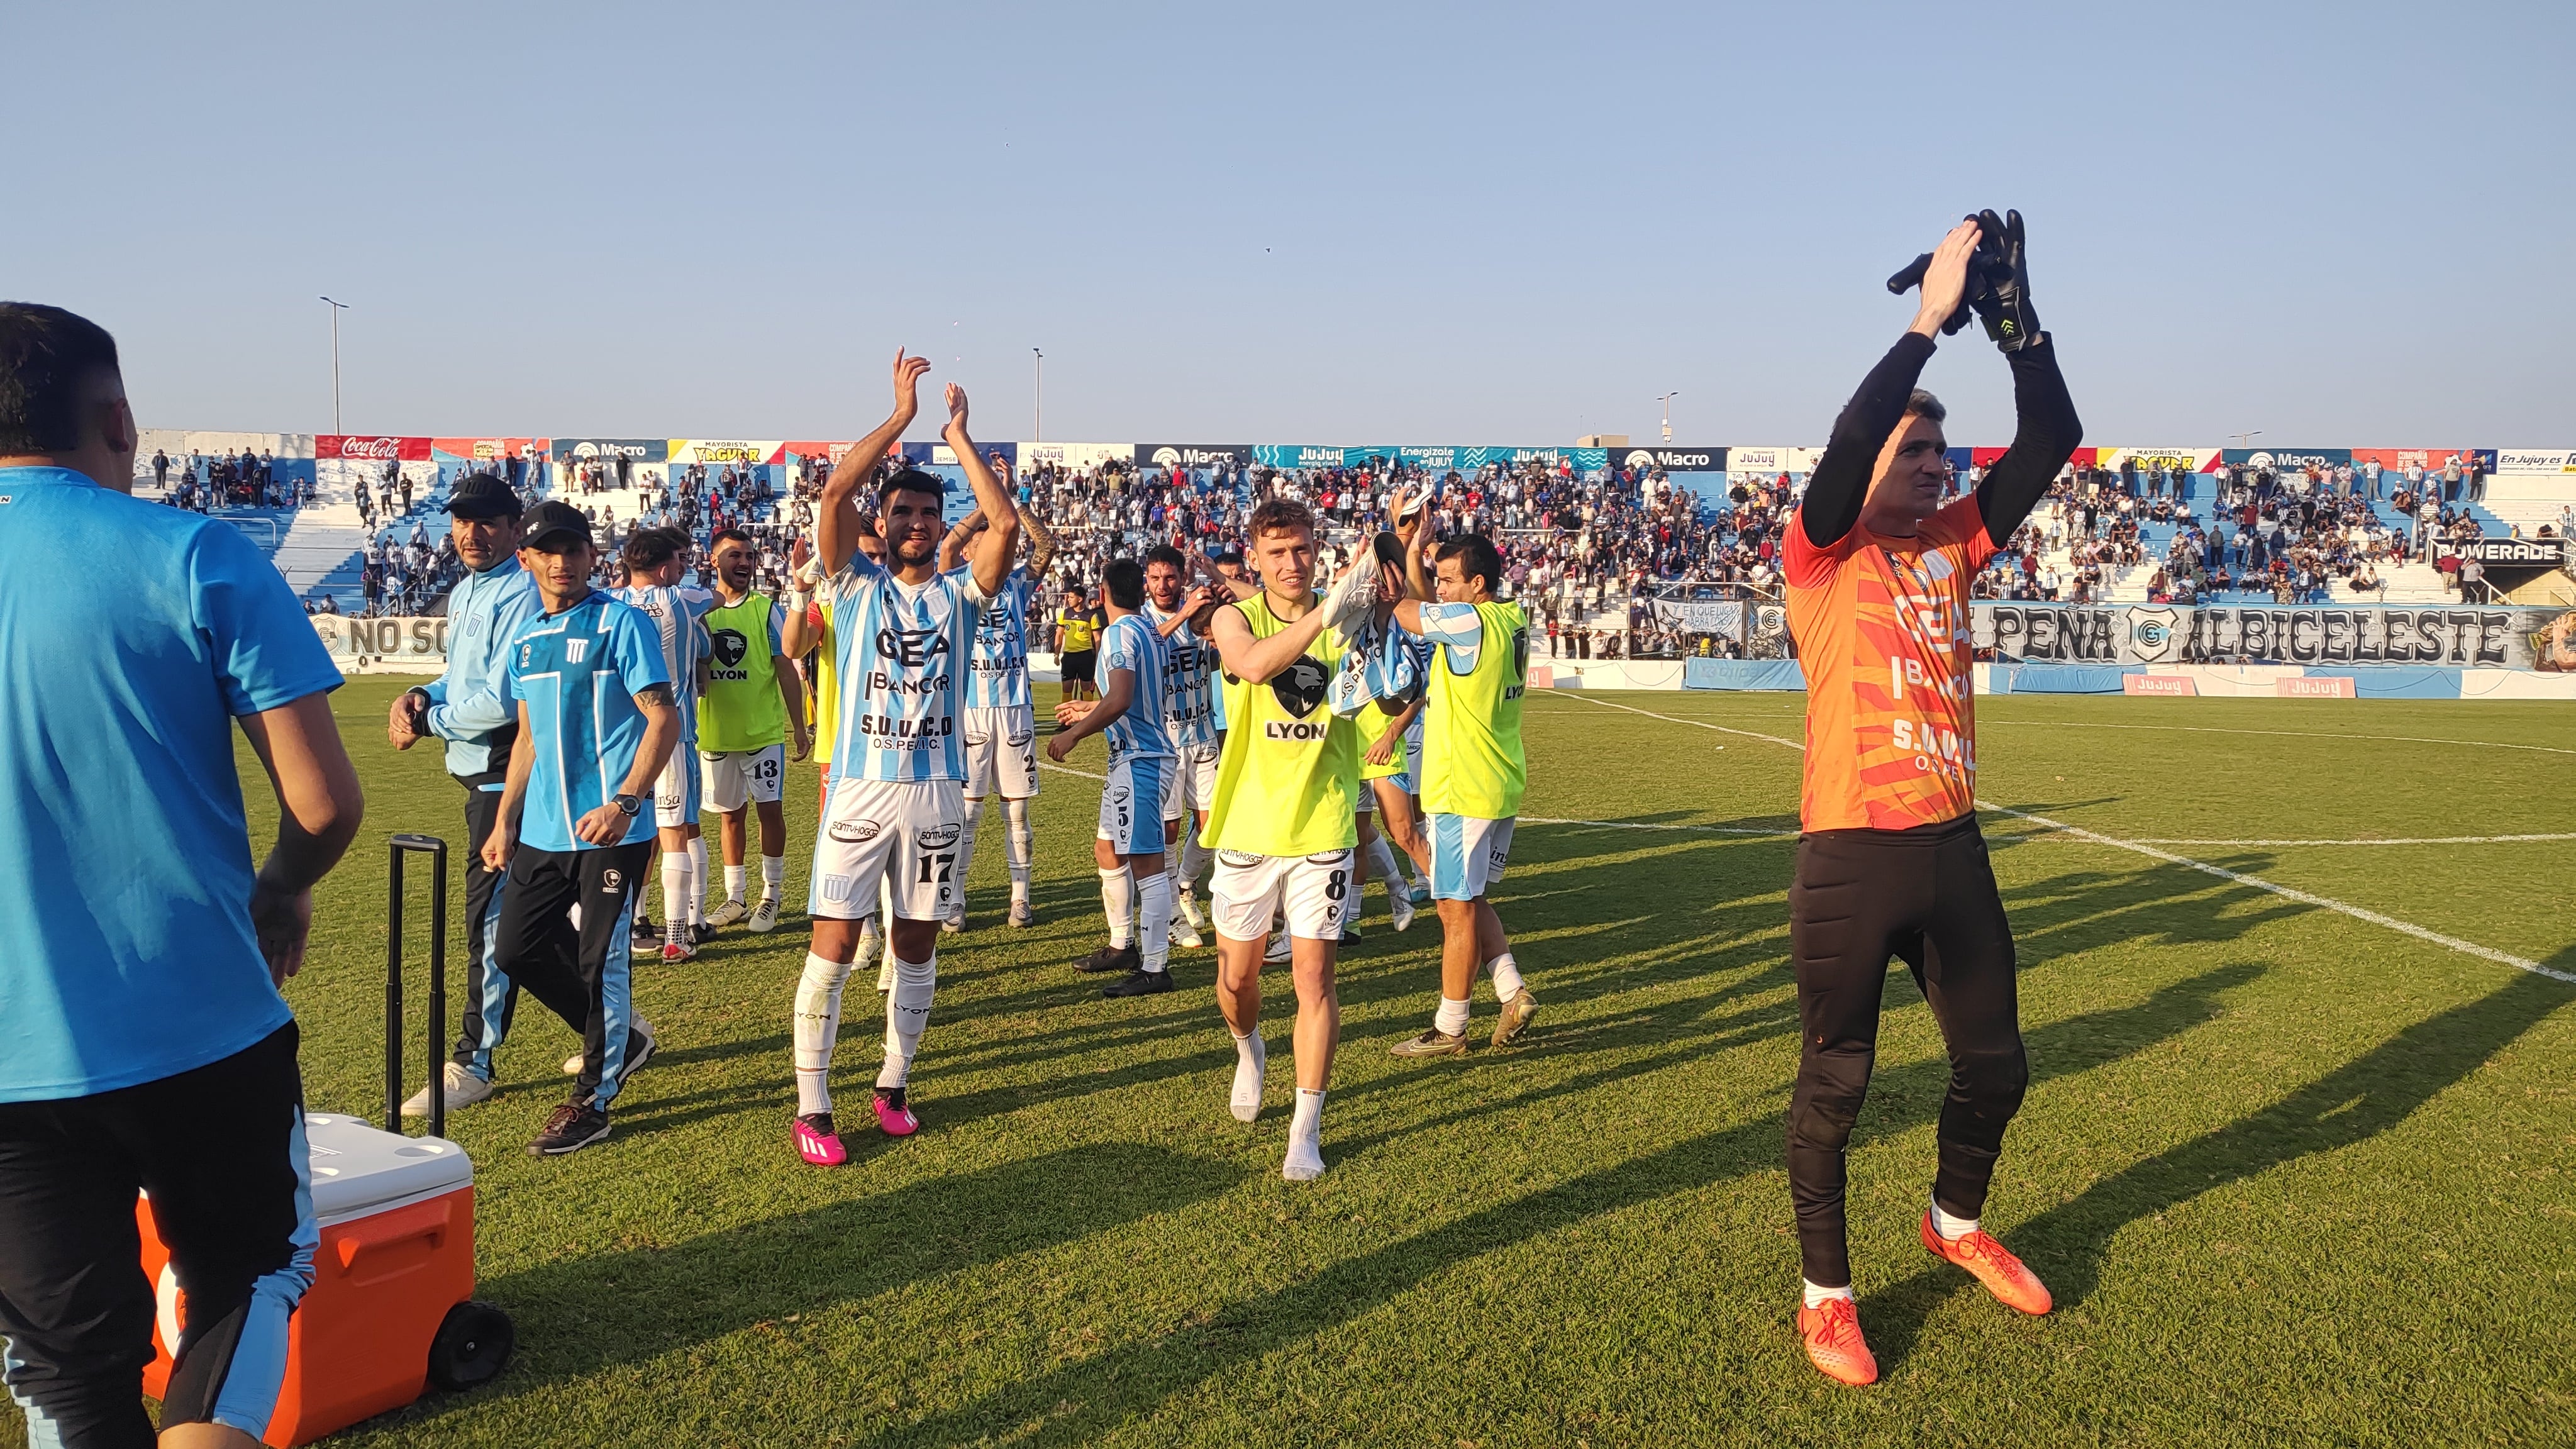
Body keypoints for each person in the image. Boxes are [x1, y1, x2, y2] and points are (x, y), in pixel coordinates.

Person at [0, 301, 364, 1448]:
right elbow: (324, 803)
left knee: (68, 1370)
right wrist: (282, 885)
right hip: (200, 1019)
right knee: (248, 1271)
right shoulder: (194, 550)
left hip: (9, 1058)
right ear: (118, 417)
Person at [1780, 212, 2081, 1387]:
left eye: (1935, 458)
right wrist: (1925, 325)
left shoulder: (1954, 543)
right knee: (1837, 1081)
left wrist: (2014, 321)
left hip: (1953, 850)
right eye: (1913, 456)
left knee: (1996, 1065)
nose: (1931, 467)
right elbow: (1855, 430)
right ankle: (1827, 1296)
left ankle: (1953, 1222)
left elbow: (2053, 434)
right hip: (1851, 855)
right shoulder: (1819, 552)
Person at [789, 352, 1018, 1168]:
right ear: (881, 527)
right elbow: (833, 494)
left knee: (916, 949)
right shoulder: (850, 587)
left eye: (929, 512)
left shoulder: (961, 595)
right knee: (836, 947)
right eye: (904, 512)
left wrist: (958, 439)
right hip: (859, 791)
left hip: (935, 797)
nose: (918, 522)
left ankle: (893, 1085)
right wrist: (900, 417)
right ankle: (812, 1104)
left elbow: (1006, 529)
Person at [481, 501, 679, 1157]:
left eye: (574, 549)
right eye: (549, 551)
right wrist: (505, 821)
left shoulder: (621, 623)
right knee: (513, 951)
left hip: (613, 833)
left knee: (601, 962)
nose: (563, 562)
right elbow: (529, 740)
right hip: (542, 832)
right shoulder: (528, 640)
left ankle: (594, 1099)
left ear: (592, 556)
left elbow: (663, 719)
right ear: (527, 559)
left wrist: (624, 802)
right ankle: (624, 1040)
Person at [386, 472, 583, 1119]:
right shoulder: (472, 588)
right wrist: (422, 695)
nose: (471, 533)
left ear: (511, 528)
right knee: (532, 925)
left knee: (492, 924)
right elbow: (462, 678)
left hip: (508, 775)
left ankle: (474, 1062)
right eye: (461, 521)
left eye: (487, 522)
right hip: (480, 774)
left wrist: (428, 720)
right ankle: (616, 1027)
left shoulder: (522, 593)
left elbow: (503, 701)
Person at [1199, 496, 1379, 1182]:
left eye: (1301, 549)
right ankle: (1248, 1048)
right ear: (1255, 558)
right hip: (1247, 824)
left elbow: (1383, 678)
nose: (1291, 562)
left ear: (1315, 549)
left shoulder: (1344, 618)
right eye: (1276, 552)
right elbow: (1250, 667)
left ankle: (1306, 1126)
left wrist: (1392, 560)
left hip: (1322, 823)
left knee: (1314, 977)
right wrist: (1327, 614)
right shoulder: (1232, 617)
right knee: (1237, 981)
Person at [1385, 526, 1536, 1057]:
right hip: (1496, 782)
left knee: (1453, 909)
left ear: (1476, 583)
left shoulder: (1469, 622)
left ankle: (1451, 1026)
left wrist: (1389, 580)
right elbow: (1432, 607)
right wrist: (1415, 556)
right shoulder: (1508, 616)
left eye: (1449, 580)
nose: (1440, 588)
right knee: (1471, 900)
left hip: (1463, 785)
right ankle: (1512, 991)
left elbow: (1408, 611)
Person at [1048, 558, 1181, 996]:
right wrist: (1090, 708)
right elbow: (1133, 698)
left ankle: (1156, 968)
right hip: (1134, 757)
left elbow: (1122, 698)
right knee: (1107, 851)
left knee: (1147, 865)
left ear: (1103, 594)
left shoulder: (1122, 633)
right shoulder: (1146, 630)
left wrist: (1073, 736)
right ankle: (1122, 944)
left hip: (1141, 760)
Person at [939, 500, 1057, 931]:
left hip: (1015, 713)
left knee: (1017, 813)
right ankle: (954, 899)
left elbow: (1046, 544)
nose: (995, 547)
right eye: (983, 542)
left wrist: (1014, 504)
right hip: (970, 714)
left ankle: (1020, 899)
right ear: (971, 553)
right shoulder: (954, 584)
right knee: (967, 815)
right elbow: (948, 546)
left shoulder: (1016, 586)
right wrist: (980, 507)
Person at [696, 526, 808, 934]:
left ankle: (771, 897)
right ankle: (736, 897)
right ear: (713, 561)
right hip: (715, 734)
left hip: (762, 735)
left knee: (769, 812)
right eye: (734, 556)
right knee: (729, 817)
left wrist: (799, 727)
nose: (744, 563)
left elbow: (785, 668)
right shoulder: (698, 610)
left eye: (748, 556)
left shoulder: (765, 609)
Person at [1141, 545, 1255, 948]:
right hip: (1165, 740)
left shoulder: (1201, 608)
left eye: (1169, 577)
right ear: (1146, 581)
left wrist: (1222, 602)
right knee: (1168, 830)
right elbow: (1147, 649)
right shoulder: (1143, 620)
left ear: (1181, 576)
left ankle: (1185, 885)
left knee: (1212, 826)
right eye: (1155, 578)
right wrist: (1185, 614)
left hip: (1203, 733)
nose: (1162, 585)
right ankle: (1172, 913)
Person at [613, 527, 716, 961]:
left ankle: (630, 927)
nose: (683, 568)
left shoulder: (609, 603)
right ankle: (676, 936)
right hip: (672, 731)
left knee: (628, 832)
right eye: (677, 562)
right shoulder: (684, 599)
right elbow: (718, 597)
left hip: (626, 737)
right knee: (675, 833)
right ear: (662, 568)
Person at [1053, 585, 1100, 704]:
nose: (1068, 599)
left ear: (1080, 599)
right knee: (1066, 688)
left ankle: (1087, 718)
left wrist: (1098, 658)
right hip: (1069, 656)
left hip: (1085, 655)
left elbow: (1097, 639)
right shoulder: (1065, 614)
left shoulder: (1091, 616)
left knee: (1086, 687)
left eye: (1071, 597)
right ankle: (1066, 719)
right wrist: (1056, 654)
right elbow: (1059, 634)